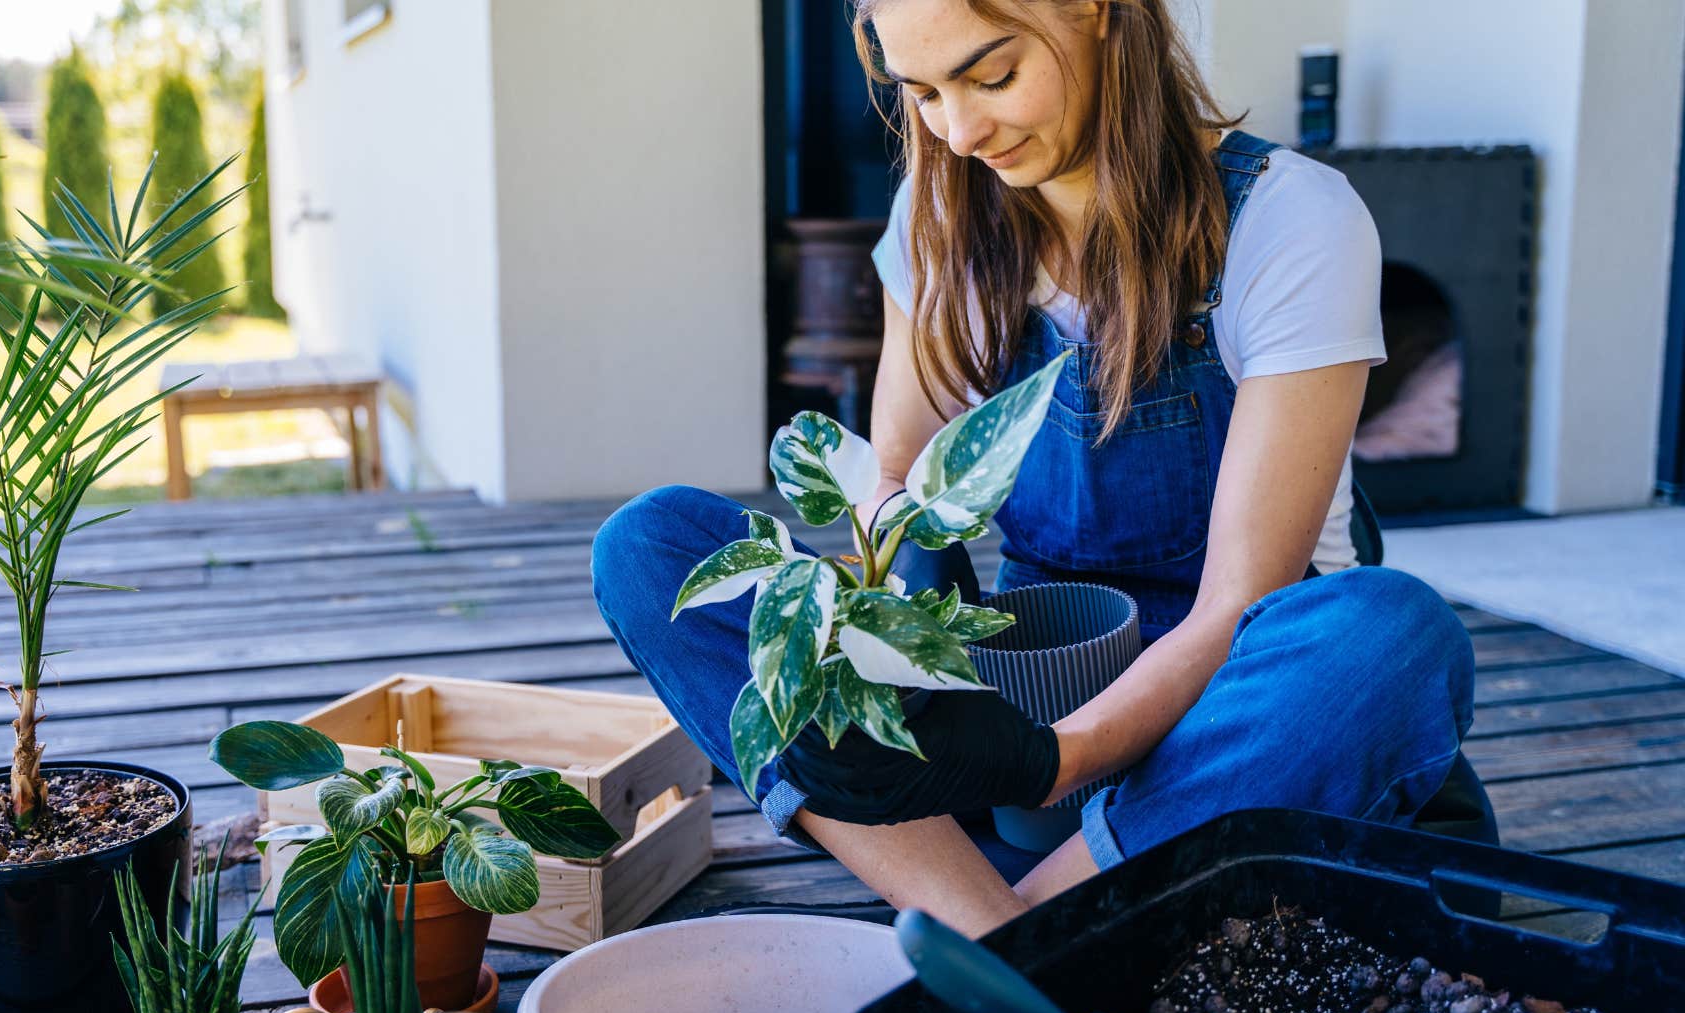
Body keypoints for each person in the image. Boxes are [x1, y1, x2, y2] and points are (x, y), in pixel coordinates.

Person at [591, 0, 1474, 938]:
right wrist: (898, 656)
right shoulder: (941, 213)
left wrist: (1042, 762)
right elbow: (895, 483)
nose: (962, 132)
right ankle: (985, 918)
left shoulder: (1289, 219)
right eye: (922, 92)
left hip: (1234, 709)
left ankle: (1024, 939)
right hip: (1022, 687)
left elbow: (1232, 608)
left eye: (994, 75)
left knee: (1392, 635)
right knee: (651, 545)